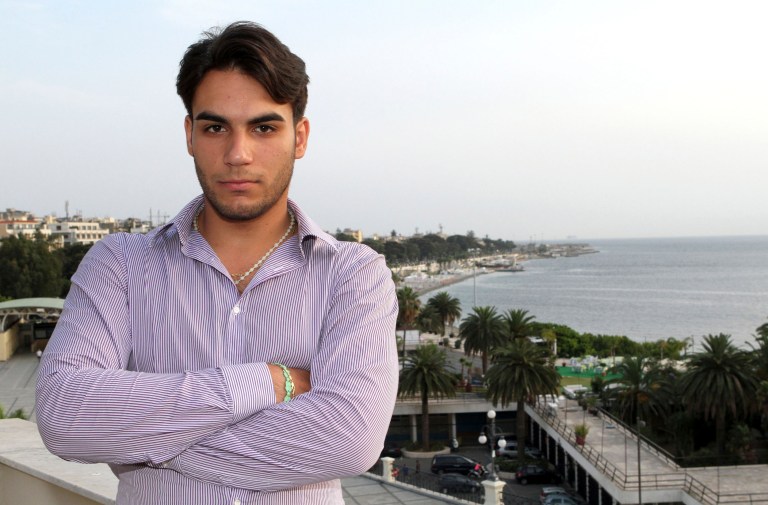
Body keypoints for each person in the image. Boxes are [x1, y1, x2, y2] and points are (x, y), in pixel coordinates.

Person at [36, 21, 399, 505]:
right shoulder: (118, 265)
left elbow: (350, 440)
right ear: (190, 134)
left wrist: (143, 442)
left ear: (301, 136)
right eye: (215, 127)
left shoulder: (353, 275)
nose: (237, 154)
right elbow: (66, 417)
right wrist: (267, 382)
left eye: (264, 127)